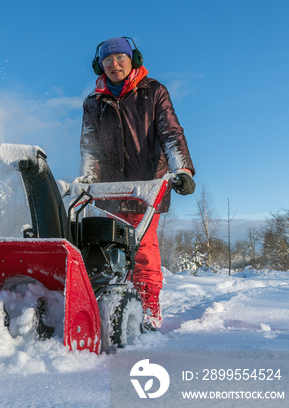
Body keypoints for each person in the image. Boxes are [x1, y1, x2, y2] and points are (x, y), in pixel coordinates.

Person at [77, 36, 196, 331]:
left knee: (142, 253)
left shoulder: (153, 91)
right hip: (109, 191)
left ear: (133, 59)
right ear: (99, 65)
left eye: (120, 58)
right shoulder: (94, 102)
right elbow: (90, 147)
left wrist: (182, 169)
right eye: (107, 60)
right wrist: (88, 179)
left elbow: (170, 132)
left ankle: (149, 311)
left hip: (146, 188)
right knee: (105, 252)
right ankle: (110, 307)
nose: (114, 64)